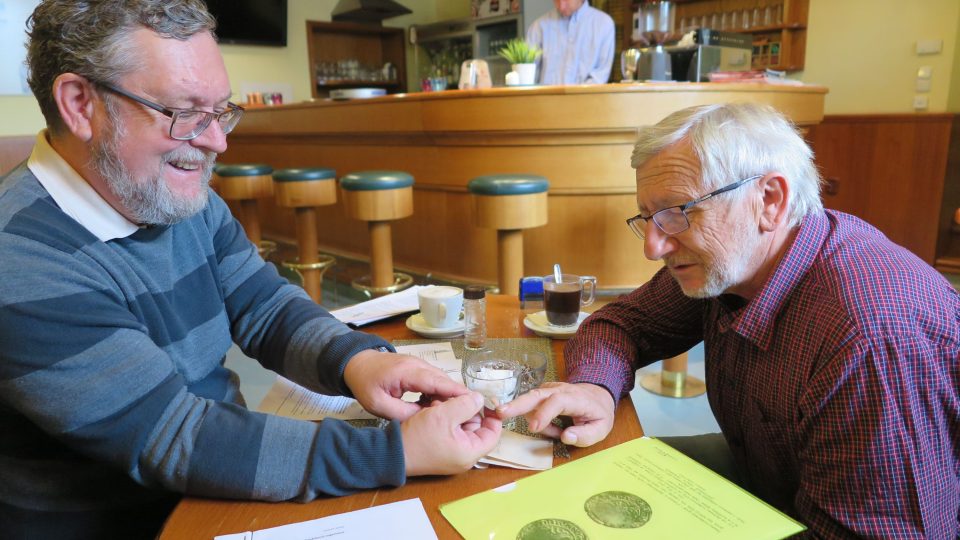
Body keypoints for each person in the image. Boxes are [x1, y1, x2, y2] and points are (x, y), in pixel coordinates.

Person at [0, 1, 501, 538]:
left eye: (220, 111)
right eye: (185, 113)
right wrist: (396, 450)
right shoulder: (23, 260)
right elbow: (173, 438)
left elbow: (263, 304)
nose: (217, 141)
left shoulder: (165, 194)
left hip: (217, 489)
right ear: (80, 105)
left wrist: (358, 363)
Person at [499, 103, 960, 537]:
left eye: (678, 213)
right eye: (648, 219)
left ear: (770, 200)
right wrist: (595, 387)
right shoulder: (733, 264)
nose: (652, 248)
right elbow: (621, 323)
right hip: (761, 476)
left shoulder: (869, 337)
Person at [525, 0, 615, 85]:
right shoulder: (538, 28)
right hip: (544, 100)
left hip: (586, 99)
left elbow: (600, 75)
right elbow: (527, 76)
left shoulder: (604, 25)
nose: (561, 6)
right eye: (556, 0)